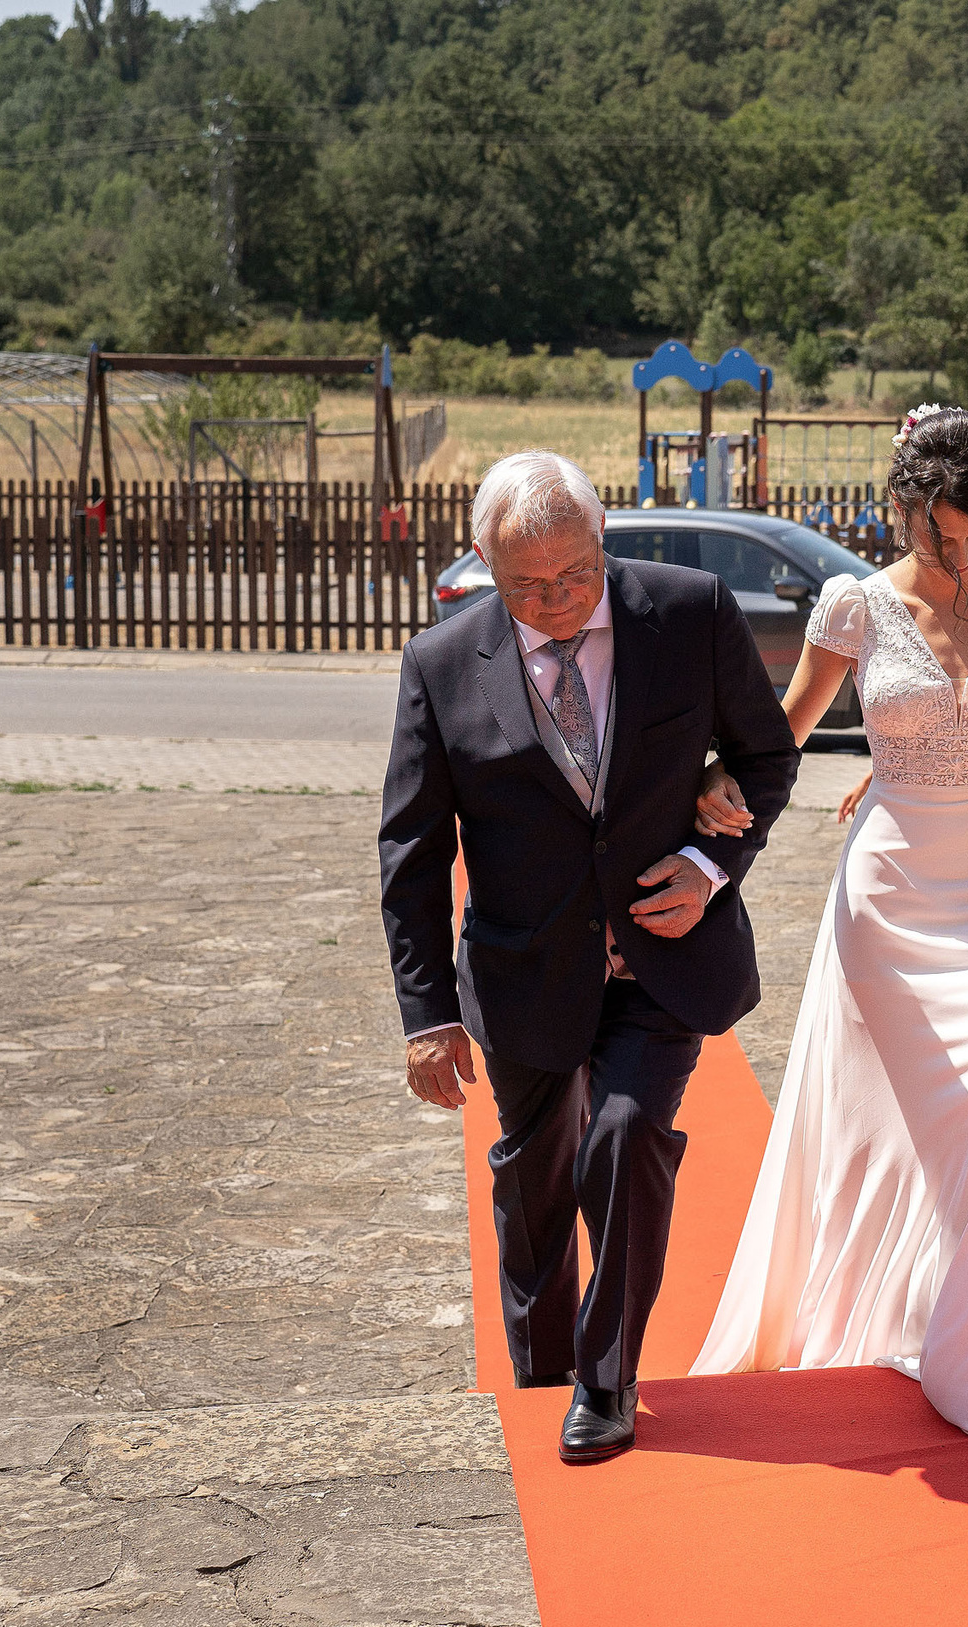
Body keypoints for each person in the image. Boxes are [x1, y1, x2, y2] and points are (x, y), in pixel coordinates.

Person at [685, 407, 968, 1448]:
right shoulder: (854, 605)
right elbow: (781, 735)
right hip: (898, 897)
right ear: (901, 511)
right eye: (940, 538)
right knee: (947, 1126)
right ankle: (939, 1313)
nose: (962, 560)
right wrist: (713, 788)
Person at [378, 450, 799, 1465]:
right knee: (533, 1176)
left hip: (664, 957)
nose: (561, 601)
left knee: (623, 1136)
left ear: (601, 545)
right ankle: (544, 1369)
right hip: (523, 967)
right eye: (530, 585)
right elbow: (412, 846)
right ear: (485, 567)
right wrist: (426, 1015)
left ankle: (606, 1378)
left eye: (576, 574)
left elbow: (767, 757)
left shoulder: (689, 611)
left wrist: (709, 859)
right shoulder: (442, 664)